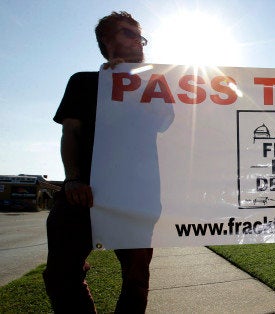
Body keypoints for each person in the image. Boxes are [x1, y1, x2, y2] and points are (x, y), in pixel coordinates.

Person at [43, 11, 153, 313]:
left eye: (140, 35)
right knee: (61, 275)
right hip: (82, 193)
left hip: (136, 196)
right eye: (128, 33)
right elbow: (71, 132)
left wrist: (132, 81)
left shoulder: (155, 87)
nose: (138, 41)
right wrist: (74, 178)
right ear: (107, 40)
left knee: (136, 277)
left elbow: (169, 126)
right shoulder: (83, 82)